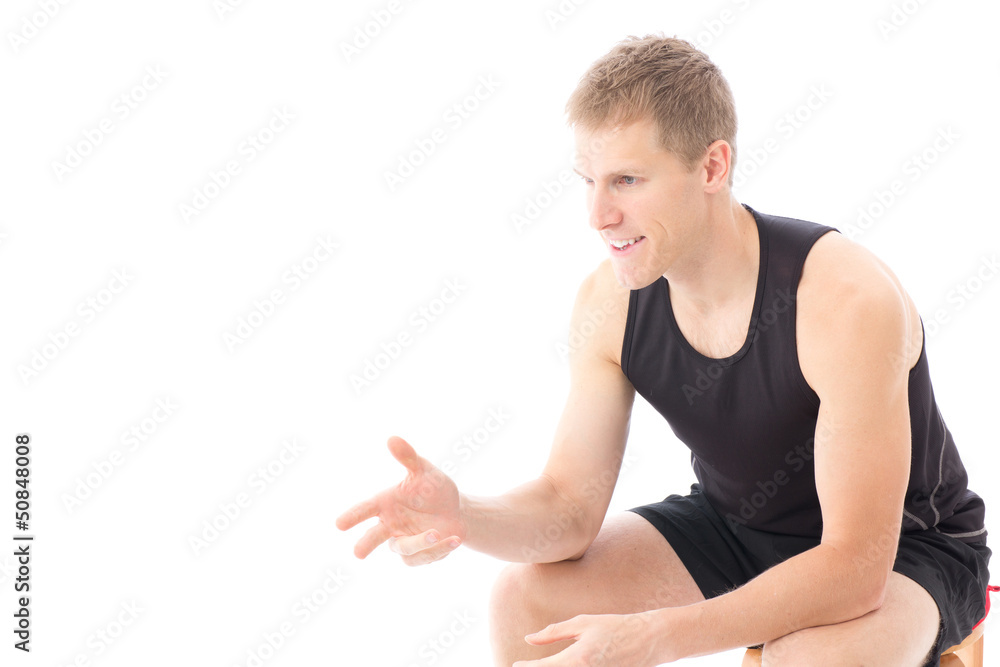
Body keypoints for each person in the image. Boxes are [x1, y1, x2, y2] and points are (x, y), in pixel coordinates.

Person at [336, 34, 992, 666]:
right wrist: (463, 514)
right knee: (526, 602)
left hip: (905, 552)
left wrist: (656, 636)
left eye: (626, 180)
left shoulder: (844, 297)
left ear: (711, 166)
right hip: (737, 526)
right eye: (588, 180)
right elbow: (568, 507)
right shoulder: (609, 303)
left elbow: (854, 569)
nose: (597, 214)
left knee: (804, 658)